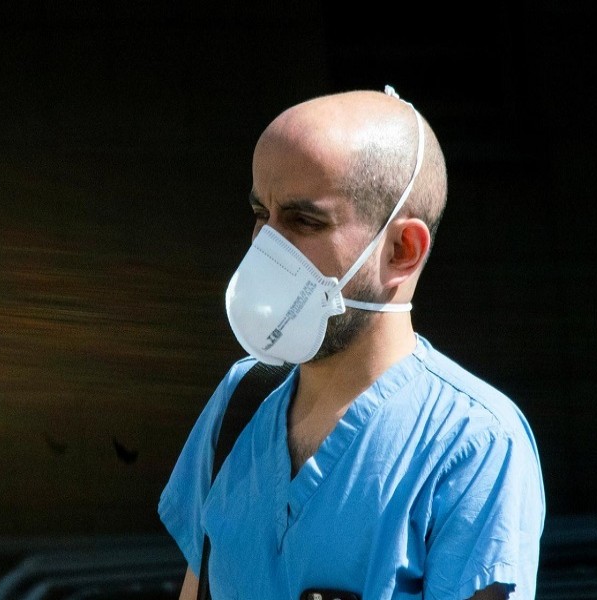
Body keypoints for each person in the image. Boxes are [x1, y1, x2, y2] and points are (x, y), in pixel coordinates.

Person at [158, 86, 545, 600]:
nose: (264, 246)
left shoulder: (472, 442)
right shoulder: (241, 399)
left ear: (403, 250)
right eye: (260, 214)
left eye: (302, 221)